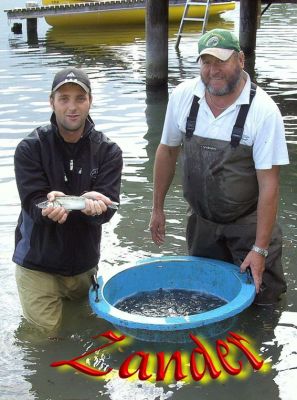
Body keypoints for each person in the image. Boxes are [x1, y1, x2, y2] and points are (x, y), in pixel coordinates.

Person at [150, 29, 289, 305]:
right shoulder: (183, 96)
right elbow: (166, 150)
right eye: (206, 62)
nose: (213, 70)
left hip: (249, 225)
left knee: (263, 303)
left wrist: (260, 249)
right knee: (203, 298)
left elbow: (269, 185)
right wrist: (157, 208)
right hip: (202, 223)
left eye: (221, 61)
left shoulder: (263, 111)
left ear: (240, 60)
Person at [13, 67, 123, 334]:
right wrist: (47, 205)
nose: (72, 107)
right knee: (45, 337)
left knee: (85, 332)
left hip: (84, 267)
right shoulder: (30, 148)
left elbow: (108, 209)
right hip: (38, 266)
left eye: (79, 98)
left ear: (90, 101)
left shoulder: (109, 151)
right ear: (52, 102)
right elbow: (32, 203)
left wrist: (97, 209)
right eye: (64, 98)